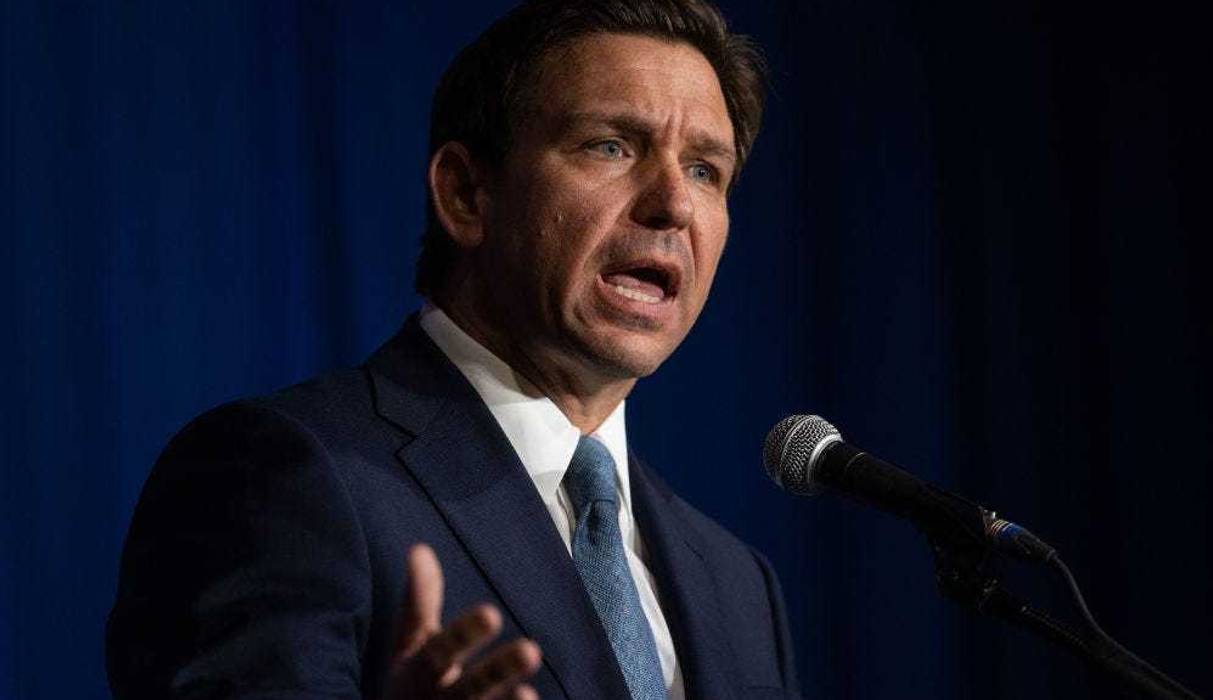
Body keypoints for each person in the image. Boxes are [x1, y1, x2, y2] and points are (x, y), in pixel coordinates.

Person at [106, 1, 799, 698]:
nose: (674, 204)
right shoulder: (284, 477)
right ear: (466, 193)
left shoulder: (736, 586)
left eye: (706, 169)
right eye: (610, 146)